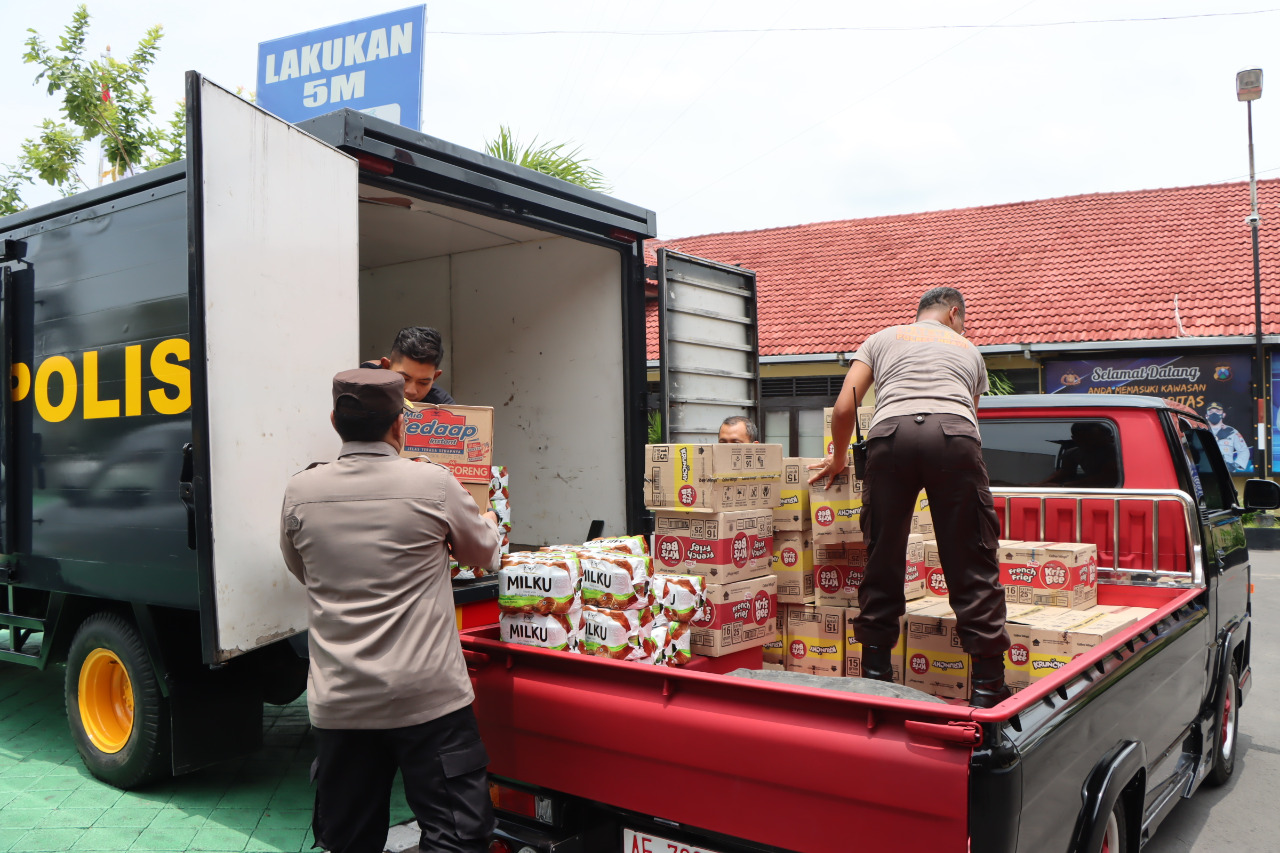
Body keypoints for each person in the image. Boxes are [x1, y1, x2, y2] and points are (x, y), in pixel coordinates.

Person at [280, 368, 500, 853]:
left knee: (349, 840)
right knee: (456, 837)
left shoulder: (301, 491)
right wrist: (486, 520)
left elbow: (303, 570)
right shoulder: (434, 483)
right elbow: (484, 554)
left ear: (335, 421)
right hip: (429, 697)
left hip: (341, 702)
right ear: (401, 424)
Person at [808, 287, 1011, 708]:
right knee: (971, 558)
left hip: (890, 438)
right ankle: (988, 687)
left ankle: (876, 676)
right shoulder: (969, 350)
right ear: (954, 313)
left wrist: (840, 457)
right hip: (953, 438)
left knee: (883, 555)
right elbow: (968, 418)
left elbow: (845, 407)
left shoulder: (881, 338)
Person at [361, 326, 456, 404]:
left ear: (434, 377)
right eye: (403, 379)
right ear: (386, 367)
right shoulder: (362, 383)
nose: (411, 391)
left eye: (423, 383)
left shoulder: (443, 406)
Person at [1039, 422, 1120, 488]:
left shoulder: (1117, 452)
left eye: (1095, 438)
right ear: (1075, 438)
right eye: (1085, 439)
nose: (1091, 443)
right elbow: (1065, 472)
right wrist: (1040, 485)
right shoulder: (1073, 453)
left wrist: (1063, 486)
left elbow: (1107, 477)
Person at [1205, 402, 1251, 473]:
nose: (1214, 414)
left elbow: (1244, 451)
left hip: (1227, 473)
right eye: (1211, 412)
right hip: (1206, 472)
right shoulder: (1201, 431)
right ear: (1206, 416)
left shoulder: (1232, 432)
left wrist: (1234, 465)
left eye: (1217, 411)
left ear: (1223, 415)